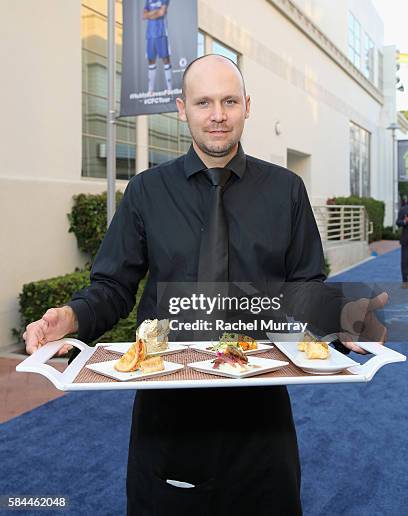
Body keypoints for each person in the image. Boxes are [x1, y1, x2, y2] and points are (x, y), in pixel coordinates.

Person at [23, 55, 387, 515]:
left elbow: (305, 287)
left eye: (229, 101)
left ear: (247, 106)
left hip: (262, 412)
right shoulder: (146, 192)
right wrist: (71, 318)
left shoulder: (287, 190)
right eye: (204, 102)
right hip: (169, 411)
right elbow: (113, 286)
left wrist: (340, 318)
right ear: (182, 108)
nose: (217, 114)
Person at [143, 0, 172, 93]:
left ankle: (169, 89)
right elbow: (144, 15)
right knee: (151, 60)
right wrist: (155, 13)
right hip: (150, 34)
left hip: (161, 32)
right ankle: (150, 90)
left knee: (165, 58)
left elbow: (162, 12)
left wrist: (152, 13)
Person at [396, 200, 408, 286]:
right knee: (404, 261)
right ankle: (405, 281)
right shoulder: (403, 209)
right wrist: (404, 222)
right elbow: (398, 222)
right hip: (406, 240)